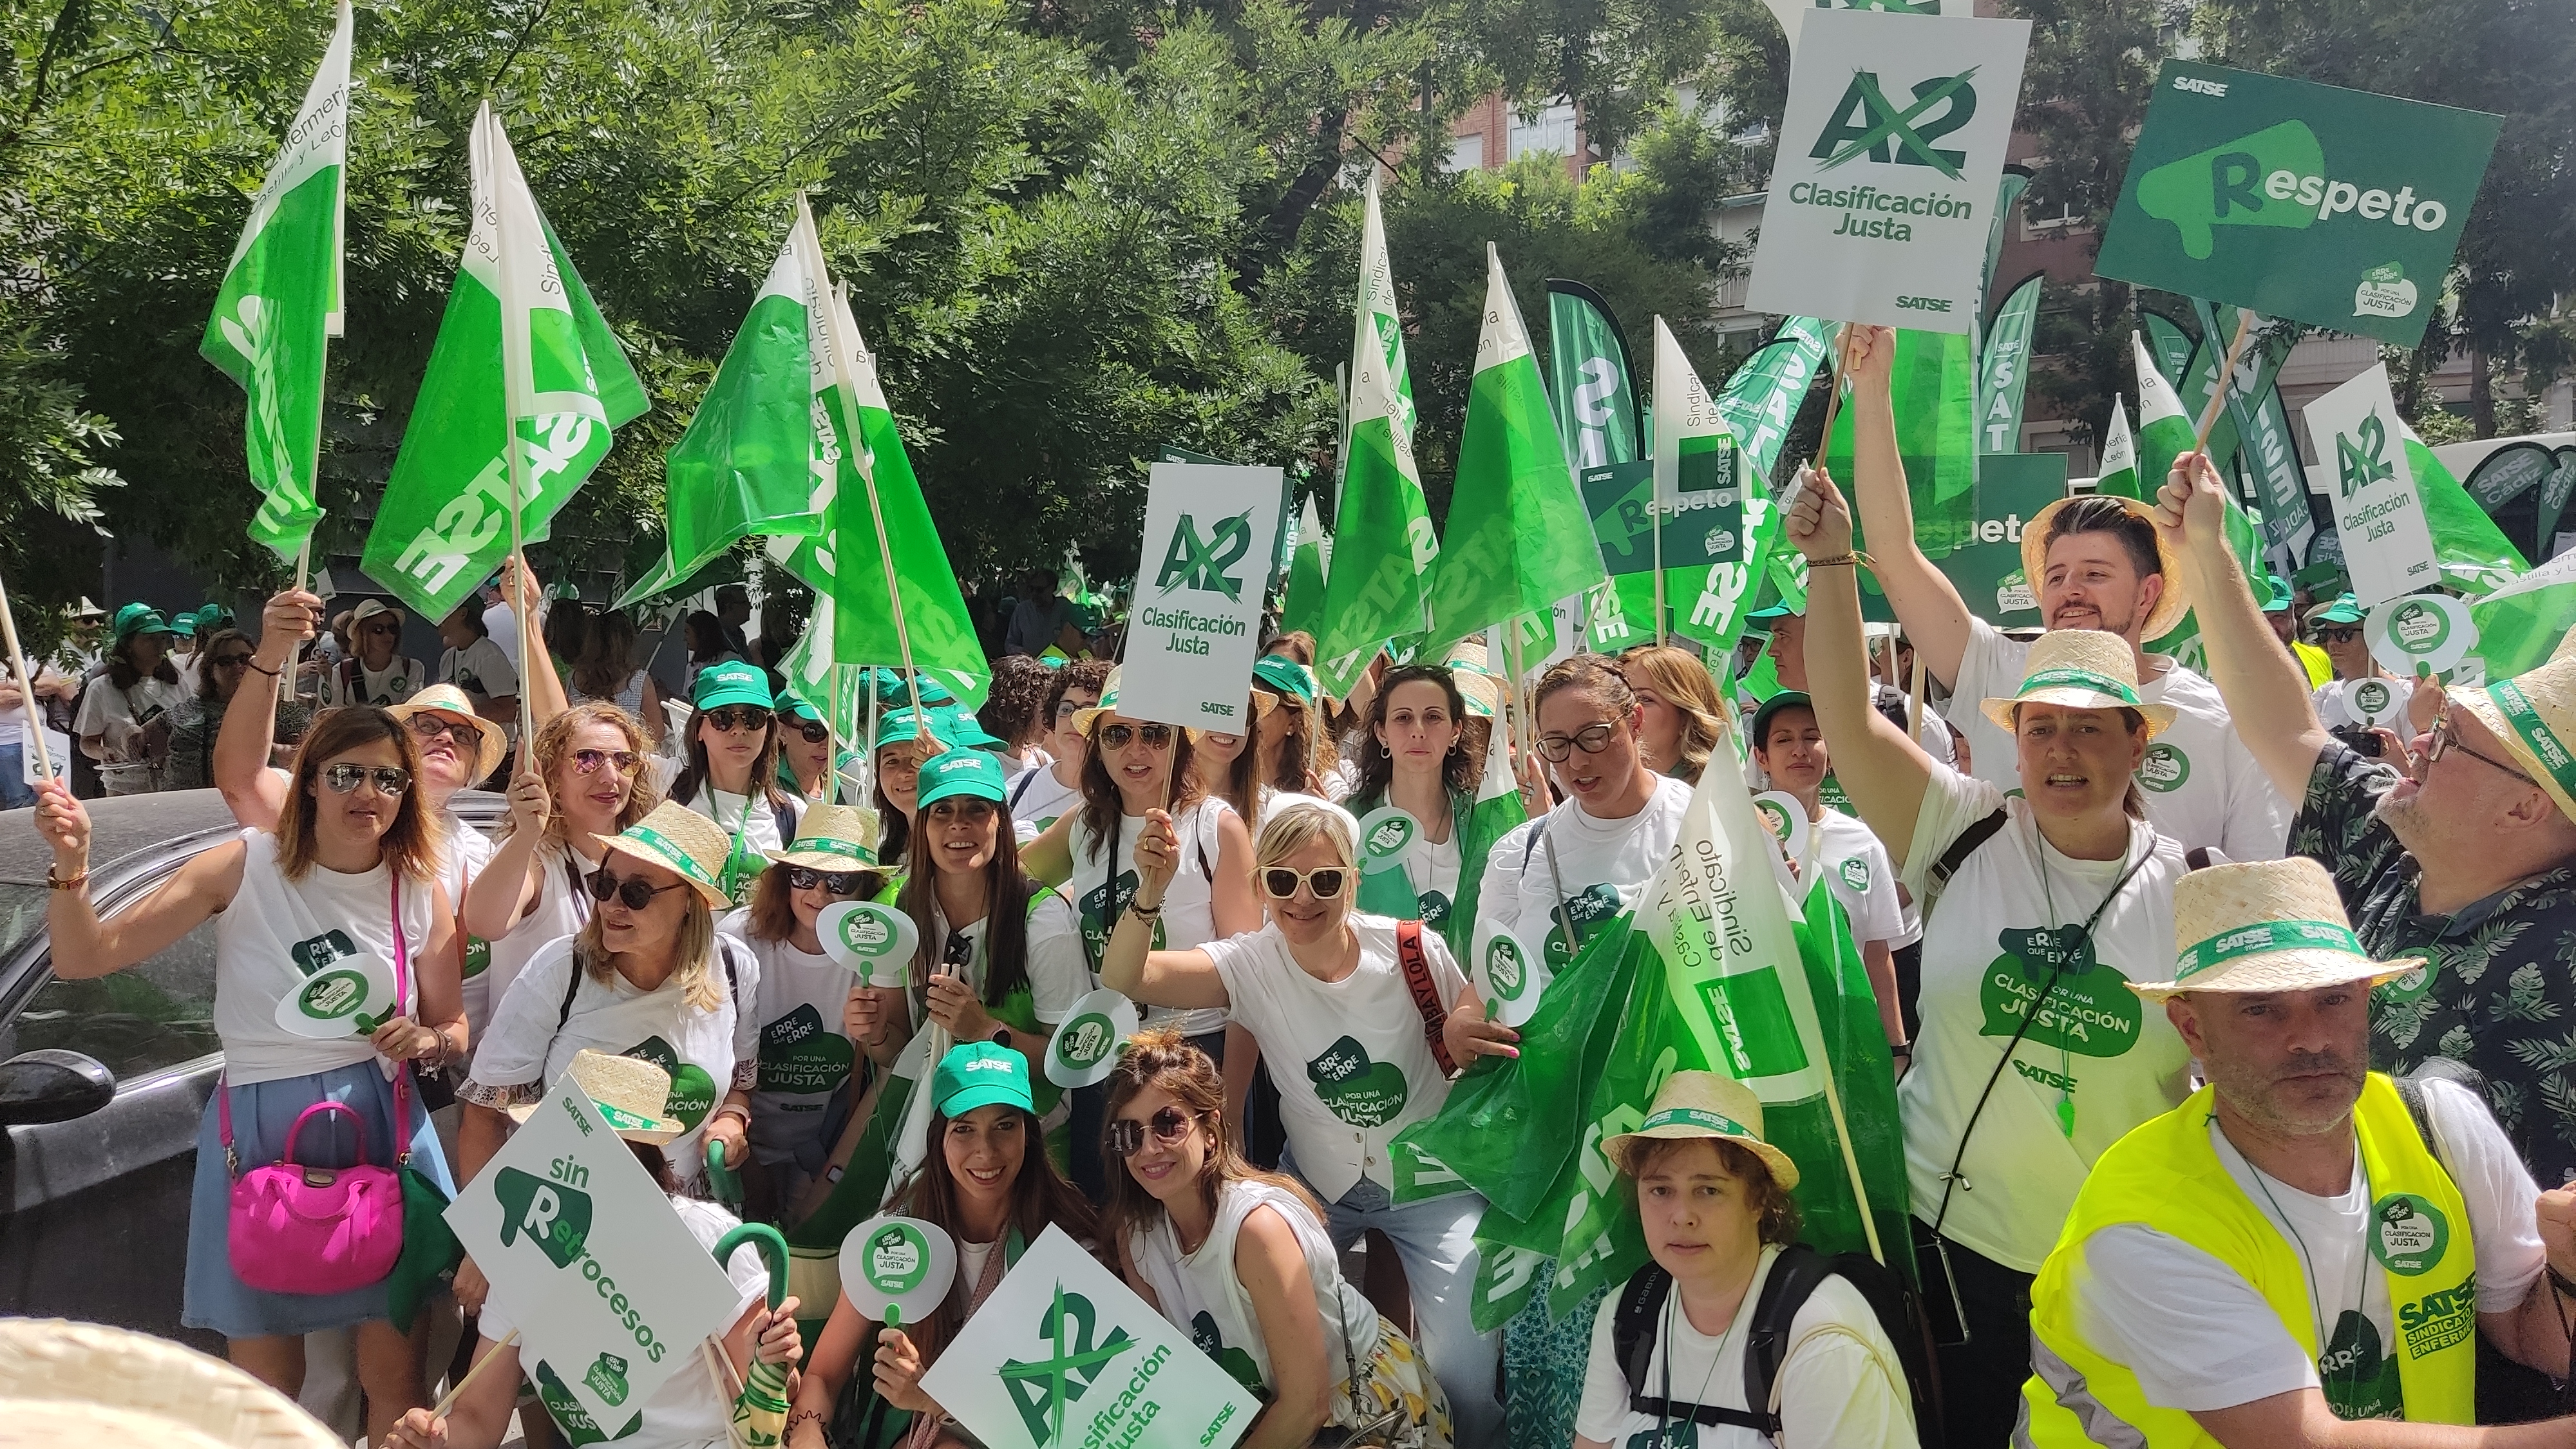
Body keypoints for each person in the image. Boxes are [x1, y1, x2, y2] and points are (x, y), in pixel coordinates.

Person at [1781, 462, 2193, 1448]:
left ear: (2138, 742)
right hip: (1948, 1254)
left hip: (2114, 1264)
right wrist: (1833, 562)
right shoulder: (1959, 833)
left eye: (2090, 727)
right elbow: (1845, 715)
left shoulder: (2196, 890)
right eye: (2040, 724)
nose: (2060, 747)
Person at [2017, 855, 2576, 1446]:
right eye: (2261, 1008)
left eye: (2333, 999)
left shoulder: (2438, 1125)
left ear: (2366, 1000)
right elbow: (2299, 1441)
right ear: (2192, 1030)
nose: (2310, 1038)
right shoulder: (2143, 1223)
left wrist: (2567, 1272)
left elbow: (2525, 1329)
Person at [31, 708, 464, 1445]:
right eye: (346, 773)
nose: (368, 792)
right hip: (258, 1132)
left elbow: (454, 1029)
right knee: (265, 1392)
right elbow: (85, 957)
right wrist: (71, 865)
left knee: (397, 1380)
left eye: (389, 778)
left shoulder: (417, 886)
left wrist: (427, 1037)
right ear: (310, 785)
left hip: (383, 1128)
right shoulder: (242, 863)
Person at [2158, 451, 2576, 1192]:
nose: (2417, 741)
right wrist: (2207, 549)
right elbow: (2283, 725)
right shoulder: (2395, 840)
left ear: (2524, 805)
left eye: (2448, 741)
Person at [1101, 801, 1503, 1441]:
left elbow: (1478, 1004)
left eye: (1325, 880)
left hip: (1430, 1184)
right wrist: (1150, 893)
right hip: (1317, 1188)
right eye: (1283, 881)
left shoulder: (1411, 948)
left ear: (1354, 879)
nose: (1302, 899)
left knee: (1468, 1378)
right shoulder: (1250, 962)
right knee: (1279, 1360)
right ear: (1260, 885)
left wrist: (1465, 1018)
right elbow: (1126, 974)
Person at [1837, 325, 2285, 858]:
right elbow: (1893, 554)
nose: (2070, 589)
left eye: (2095, 574)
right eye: (2055, 576)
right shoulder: (1997, 670)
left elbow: (2256, 880)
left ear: (2148, 594)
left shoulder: (2220, 719)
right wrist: (1871, 390)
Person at [388, 1051, 803, 1449]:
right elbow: (478, 1421)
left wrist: (770, 1363)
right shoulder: (528, 1249)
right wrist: (434, 1438)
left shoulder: (706, 1239)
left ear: (637, 1158)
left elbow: (771, 1403)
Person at [453, 802, 761, 1314]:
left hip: (682, 1222)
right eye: (604, 884)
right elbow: (485, 1115)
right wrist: (487, 1243)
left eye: (637, 892)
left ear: (693, 903)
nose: (612, 905)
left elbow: (742, 1082)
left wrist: (732, 1119)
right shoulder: (561, 970)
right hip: (558, 1217)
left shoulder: (733, 967)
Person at [1108, 1031, 1454, 1448]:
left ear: (1211, 1128)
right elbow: (1172, 1375)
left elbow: (1307, 1406)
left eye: (1169, 1124)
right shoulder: (1136, 1236)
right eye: (1129, 1134)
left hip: (1362, 1413)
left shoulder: (1257, 1229)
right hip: (1261, 1415)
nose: (1149, 1148)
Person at [1577, 1072, 1919, 1449]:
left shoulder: (1820, 1340)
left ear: (1758, 1201)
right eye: (1660, 1190)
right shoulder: (1628, 1315)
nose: (1681, 1215)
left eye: (1708, 1190)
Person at [790, 1042, 1099, 1449]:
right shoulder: (895, 1238)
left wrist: (933, 1401)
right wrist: (808, 1431)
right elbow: (822, 1377)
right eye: (964, 1129)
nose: (985, 1152)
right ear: (938, 1138)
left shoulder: (1070, 1247)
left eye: (1005, 1126)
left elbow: (1081, 1417)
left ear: (1031, 1133)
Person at [847, 750, 1088, 1157]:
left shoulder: (1043, 920)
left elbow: (1069, 1062)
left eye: (977, 809)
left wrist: (986, 1031)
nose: (959, 823)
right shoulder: (896, 910)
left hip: (1031, 1139)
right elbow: (899, 1051)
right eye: (941, 810)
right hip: (929, 1133)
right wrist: (875, 1033)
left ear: (1000, 821)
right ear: (922, 826)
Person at [1022, 669, 1258, 1060]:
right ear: (1097, 746)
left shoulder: (1216, 827)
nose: (1136, 750)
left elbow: (1251, 977)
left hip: (1196, 1050)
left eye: (1155, 734)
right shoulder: (1084, 824)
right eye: (1117, 735)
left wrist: (1231, 1101)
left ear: (1179, 743)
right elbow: (1001, 881)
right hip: (1105, 1050)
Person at [719, 804, 889, 1214]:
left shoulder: (876, 956)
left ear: (866, 889)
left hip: (821, 1147)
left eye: (840, 881)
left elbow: (892, 1067)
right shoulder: (739, 938)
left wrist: (878, 1033)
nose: (818, 893)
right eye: (804, 875)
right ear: (784, 879)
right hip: (734, 1136)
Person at [463, 701, 661, 1053]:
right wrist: (525, 834)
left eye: (624, 761)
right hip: (533, 1072)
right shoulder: (536, 857)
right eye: (587, 759)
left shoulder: (648, 861)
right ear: (551, 774)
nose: (609, 776)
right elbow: (484, 923)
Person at [1750, 691, 1910, 1056]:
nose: (1799, 750)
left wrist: (1896, 1047)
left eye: (1812, 737)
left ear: (1831, 754)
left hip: (1842, 1034)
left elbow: (1875, 951)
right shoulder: (1734, 833)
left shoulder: (1862, 841)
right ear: (1762, 757)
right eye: (1783, 740)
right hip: (1764, 1029)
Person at [1337, 664, 1497, 958]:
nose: (1418, 731)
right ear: (1382, 733)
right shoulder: (1349, 823)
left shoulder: (1484, 818)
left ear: (1455, 731)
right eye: (1403, 718)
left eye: (1433, 717)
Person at [1749, 604, 1958, 768]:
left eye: (1783, 636)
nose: (1772, 651)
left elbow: (1945, 812)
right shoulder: (1775, 720)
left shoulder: (1910, 719)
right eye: (1785, 740)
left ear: (1825, 638)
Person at [667, 660, 804, 905]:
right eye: (723, 718)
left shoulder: (792, 813)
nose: (739, 730)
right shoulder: (666, 785)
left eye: (753, 718)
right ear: (699, 729)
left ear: (768, 729)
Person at [166, 628, 312, 792]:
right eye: (226, 661)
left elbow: (312, 754)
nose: (237, 666)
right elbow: (144, 737)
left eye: (244, 659)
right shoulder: (188, 710)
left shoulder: (282, 711)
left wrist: (276, 752)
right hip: (189, 806)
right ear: (210, 670)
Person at [75, 601, 186, 794]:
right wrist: (103, 753)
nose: (160, 645)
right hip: (125, 791)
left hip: (174, 788)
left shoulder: (177, 680)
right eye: (149, 639)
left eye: (162, 637)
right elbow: (87, 743)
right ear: (127, 645)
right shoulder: (102, 688)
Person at [1007, 659, 1106, 842]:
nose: (1073, 718)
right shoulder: (1020, 786)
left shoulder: (1120, 800)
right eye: (1066, 708)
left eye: (1088, 711)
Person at [2304, 592, 2418, 734]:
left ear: (2373, 637)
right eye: (2326, 635)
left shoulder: (2406, 696)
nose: (2332, 643)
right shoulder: (2324, 696)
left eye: (2344, 634)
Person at [1616, 645, 1728, 785]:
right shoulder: (1596, 794)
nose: (1625, 710)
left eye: (1644, 699)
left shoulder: (1716, 797)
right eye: (1619, 699)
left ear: (1685, 717)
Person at [570, 607, 667, 746]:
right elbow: (657, 733)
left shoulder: (575, 679)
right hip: (626, 759)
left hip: (585, 758)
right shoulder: (639, 681)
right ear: (629, 642)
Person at [436, 599, 521, 748]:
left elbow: (507, 711)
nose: (438, 616)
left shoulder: (489, 655)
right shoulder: (448, 657)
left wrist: (458, 713)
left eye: (445, 609)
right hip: (465, 747)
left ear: (462, 614)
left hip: (496, 753)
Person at [1, 657, 79, 808]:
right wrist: (33, 687)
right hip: (6, 742)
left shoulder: (29, 656)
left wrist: (13, 685)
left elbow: (55, 683)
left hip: (41, 739)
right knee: (19, 801)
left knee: (51, 796)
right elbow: (3, 699)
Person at [323, 599, 426, 708]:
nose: (388, 635)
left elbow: (408, 711)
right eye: (378, 629)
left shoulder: (412, 668)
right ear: (362, 634)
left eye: (393, 628)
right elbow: (336, 714)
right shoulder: (342, 670)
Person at [2265, 576, 2334, 688]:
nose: (2269, 627)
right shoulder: (2236, 672)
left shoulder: (2319, 657)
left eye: (2277, 617)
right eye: (2261, 619)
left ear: (2293, 613)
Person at [1003, 569, 1075, 658]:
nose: (1034, 594)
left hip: (1060, 666)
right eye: (1031, 589)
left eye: (1039, 590)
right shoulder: (1022, 610)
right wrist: (1022, 652)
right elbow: (1010, 644)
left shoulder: (1065, 609)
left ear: (1052, 588)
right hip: (1031, 666)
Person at [683, 609, 741, 696]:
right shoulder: (692, 666)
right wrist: (668, 694)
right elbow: (687, 700)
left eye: (687, 632)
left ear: (702, 633)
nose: (684, 638)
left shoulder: (730, 661)